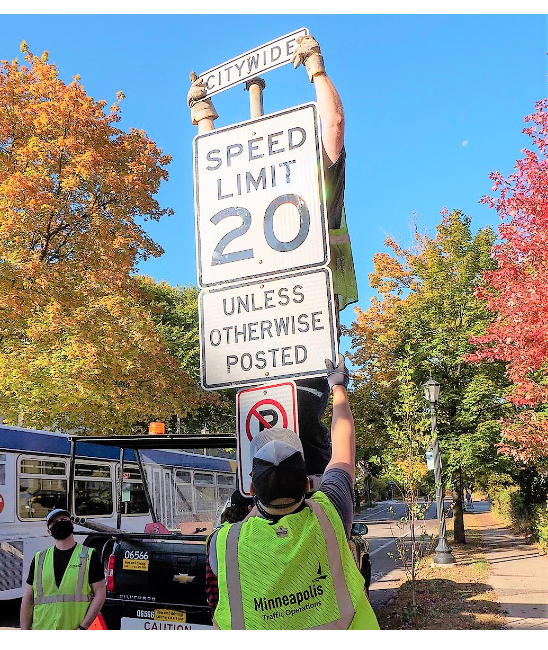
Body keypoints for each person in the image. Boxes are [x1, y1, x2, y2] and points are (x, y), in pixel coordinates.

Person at [187, 34, 358, 477]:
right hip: (284, 337)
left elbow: (218, 173)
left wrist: (203, 121)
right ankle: (317, 512)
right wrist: (315, 69)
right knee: (300, 436)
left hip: (281, 335)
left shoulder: (319, 190)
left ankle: (271, 499)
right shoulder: (317, 190)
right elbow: (223, 169)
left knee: (269, 431)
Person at [205, 355, 379, 629]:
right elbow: (343, 446)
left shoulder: (225, 544)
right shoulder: (331, 514)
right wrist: (338, 386)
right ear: (309, 483)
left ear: (251, 488)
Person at [20, 508, 106, 630]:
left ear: (71, 523)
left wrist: (83, 627)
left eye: (63, 519)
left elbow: (100, 593)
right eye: (54, 522)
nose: (60, 523)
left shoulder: (89, 555)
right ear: (49, 531)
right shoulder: (40, 558)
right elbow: (28, 598)